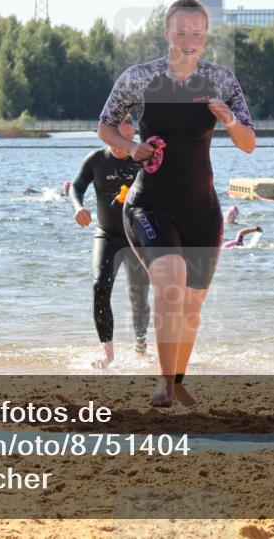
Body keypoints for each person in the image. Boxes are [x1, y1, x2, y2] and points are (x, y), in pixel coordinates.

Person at [97, 0, 256, 407]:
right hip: (150, 204)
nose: (189, 40)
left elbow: (249, 144)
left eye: (197, 33)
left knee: (191, 305)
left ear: (205, 36)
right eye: (181, 32)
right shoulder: (141, 78)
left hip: (202, 209)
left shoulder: (221, 80)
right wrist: (131, 148)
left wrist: (230, 121)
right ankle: (164, 385)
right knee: (170, 286)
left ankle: (178, 378)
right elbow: (105, 127)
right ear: (167, 33)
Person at [71, 117, 151, 369]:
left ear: (134, 136)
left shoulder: (144, 159)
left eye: (128, 140)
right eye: (118, 140)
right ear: (108, 136)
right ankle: (108, 353)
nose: (122, 146)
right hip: (106, 234)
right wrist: (78, 207)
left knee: (138, 294)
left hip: (136, 236)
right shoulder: (96, 160)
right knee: (100, 286)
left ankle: (140, 343)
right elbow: (77, 185)